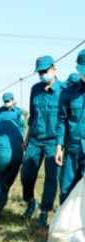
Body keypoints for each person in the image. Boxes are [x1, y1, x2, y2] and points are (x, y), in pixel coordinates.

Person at [19, 55, 63, 227]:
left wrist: (62, 145)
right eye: (40, 72)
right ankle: (31, 202)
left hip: (53, 141)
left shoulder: (63, 91)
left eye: (45, 71)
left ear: (54, 69)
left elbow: (64, 120)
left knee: (51, 178)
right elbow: (32, 116)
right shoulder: (35, 89)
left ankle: (44, 212)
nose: (42, 74)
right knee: (26, 175)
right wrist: (26, 138)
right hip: (35, 139)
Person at [55, 50, 85, 204]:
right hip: (72, 149)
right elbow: (61, 121)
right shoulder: (68, 93)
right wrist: (59, 147)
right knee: (67, 189)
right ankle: (65, 226)